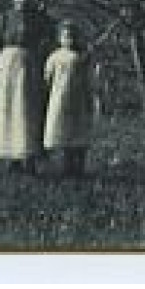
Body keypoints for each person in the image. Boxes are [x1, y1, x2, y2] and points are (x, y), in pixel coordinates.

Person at [0, 0, 48, 173]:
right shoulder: (3, 19)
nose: (22, 1)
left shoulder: (39, 19)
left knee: (28, 109)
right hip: (7, 64)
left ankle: (29, 156)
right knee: (7, 108)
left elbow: (49, 38)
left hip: (29, 64)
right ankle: (10, 158)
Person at [42, 19, 94, 178]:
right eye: (65, 36)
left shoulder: (81, 56)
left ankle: (79, 168)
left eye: (73, 36)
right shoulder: (55, 57)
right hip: (59, 99)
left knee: (78, 133)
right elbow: (47, 77)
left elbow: (87, 78)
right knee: (62, 132)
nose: (69, 39)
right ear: (59, 39)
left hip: (77, 100)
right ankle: (65, 167)